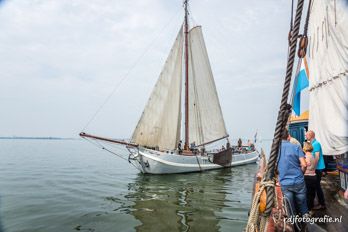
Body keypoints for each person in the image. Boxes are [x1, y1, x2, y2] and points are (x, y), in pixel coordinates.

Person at [278, 128, 308, 216]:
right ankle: (306, 223)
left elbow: (273, 168)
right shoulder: (296, 147)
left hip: (285, 183)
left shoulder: (275, 150)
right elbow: (304, 164)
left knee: (290, 208)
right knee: (303, 206)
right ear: (288, 137)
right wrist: (301, 173)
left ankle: (294, 224)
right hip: (298, 181)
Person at [305, 130, 326, 210]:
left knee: (317, 186)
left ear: (311, 136)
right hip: (316, 168)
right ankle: (317, 202)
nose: (306, 137)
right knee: (316, 186)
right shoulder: (313, 144)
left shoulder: (316, 144)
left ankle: (322, 204)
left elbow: (317, 157)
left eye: (307, 135)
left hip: (317, 168)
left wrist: (313, 167)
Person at [303, 142, 316, 211]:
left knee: (308, 194)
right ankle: (311, 207)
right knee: (312, 194)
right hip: (313, 176)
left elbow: (306, 165)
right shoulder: (312, 155)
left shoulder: (307, 156)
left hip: (308, 177)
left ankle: (308, 209)